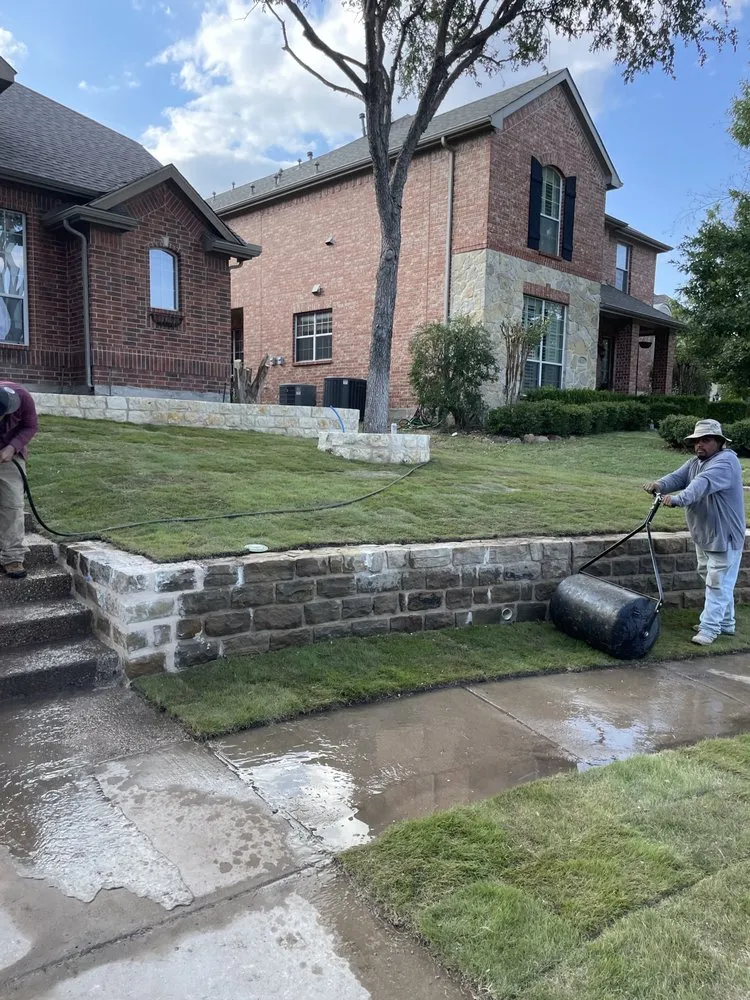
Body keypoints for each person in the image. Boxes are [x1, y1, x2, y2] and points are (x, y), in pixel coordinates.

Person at [644, 418, 746, 646]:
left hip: (724, 536)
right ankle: (726, 623)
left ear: (719, 442)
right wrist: (659, 485)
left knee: (717, 583)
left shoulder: (726, 463)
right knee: (713, 579)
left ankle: (709, 629)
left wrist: (678, 499)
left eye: (706, 440)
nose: (699, 444)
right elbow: (678, 477)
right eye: (696, 440)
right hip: (705, 534)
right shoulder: (695, 462)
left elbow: (701, 484)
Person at [0, 381, 38, 580]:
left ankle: (12, 557)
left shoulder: (23, 397)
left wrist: (12, 447)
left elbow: (30, 426)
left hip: (11, 454)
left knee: (12, 504)